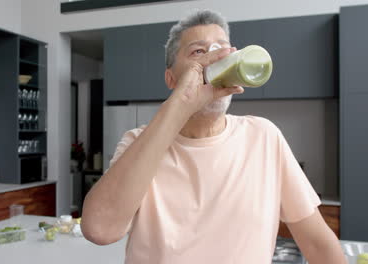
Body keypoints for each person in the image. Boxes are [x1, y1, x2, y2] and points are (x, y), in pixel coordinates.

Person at [81, 9, 347, 264]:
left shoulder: (264, 137)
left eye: (221, 49)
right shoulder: (138, 143)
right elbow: (100, 229)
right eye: (198, 51)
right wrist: (181, 104)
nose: (214, 58)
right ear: (172, 79)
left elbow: (317, 244)